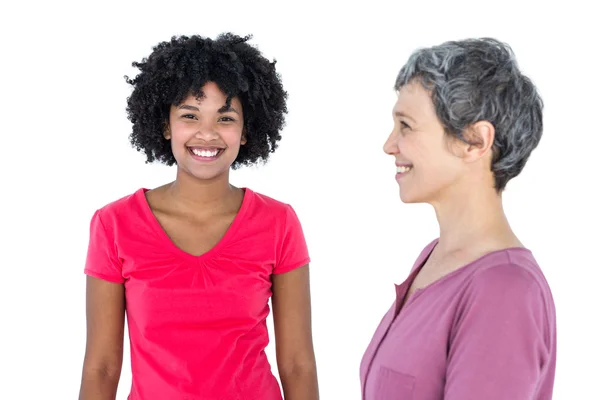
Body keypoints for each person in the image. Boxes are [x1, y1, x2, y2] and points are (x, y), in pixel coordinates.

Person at [78, 33, 319, 400]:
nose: (207, 134)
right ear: (165, 125)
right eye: (190, 115)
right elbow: (102, 367)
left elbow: (297, 364)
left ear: (245, 131)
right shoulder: (114, 225)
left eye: (225, 118)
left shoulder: (278, 223)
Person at [360, 38, 556, 400]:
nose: (389, 144)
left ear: (475, 141)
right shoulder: (433, 258)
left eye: (406, 125)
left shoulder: (504, 290)